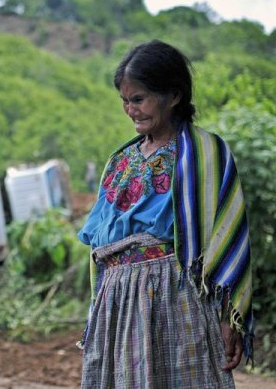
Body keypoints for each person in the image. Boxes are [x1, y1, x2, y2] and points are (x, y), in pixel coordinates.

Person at [77, 40, 253, 388]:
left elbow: (229, 235)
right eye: (125, 101)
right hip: (116, 303)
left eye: (138, 99)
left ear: (173, 96)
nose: (130, 109)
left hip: (175, 298)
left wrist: (228, 320)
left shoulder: (206, 154)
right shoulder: (120, 161)